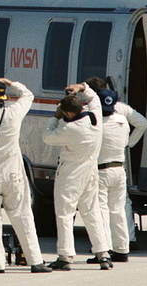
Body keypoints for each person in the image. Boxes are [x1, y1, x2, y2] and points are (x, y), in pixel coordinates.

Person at [0, 78, 52, 273]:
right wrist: (12, 83)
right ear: (5, 96)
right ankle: (35, 260)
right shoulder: (14, 113)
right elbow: (28, 95)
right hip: (14, 173)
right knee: (23, 216)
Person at [42, 83, 112, 270]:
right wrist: (82, 88)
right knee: (92, 212)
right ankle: (103, 253)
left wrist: (55, 118)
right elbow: (95, 99)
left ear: (69, 113)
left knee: (65, 214)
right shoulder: (95, 117)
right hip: (91, 171)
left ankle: (65, 256)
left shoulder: (69, 129)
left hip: (71, 174)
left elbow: (47, 137)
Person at [85, 76, 147, 249]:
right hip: (119, 165)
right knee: (121, 206)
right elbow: (142, 123)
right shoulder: (120, 108)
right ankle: (127, 242)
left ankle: (103, 247)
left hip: (99, 167)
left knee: (101, 208)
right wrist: (128, 142)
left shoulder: (89, 109)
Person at [87, 89, 132, 264]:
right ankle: (122, 249)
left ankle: (104, 251)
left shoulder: (96, 124)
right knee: (118, 210)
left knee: (102, 211)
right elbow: (126, 142)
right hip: (119, 169)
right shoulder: (122, 121)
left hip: (101, 170)